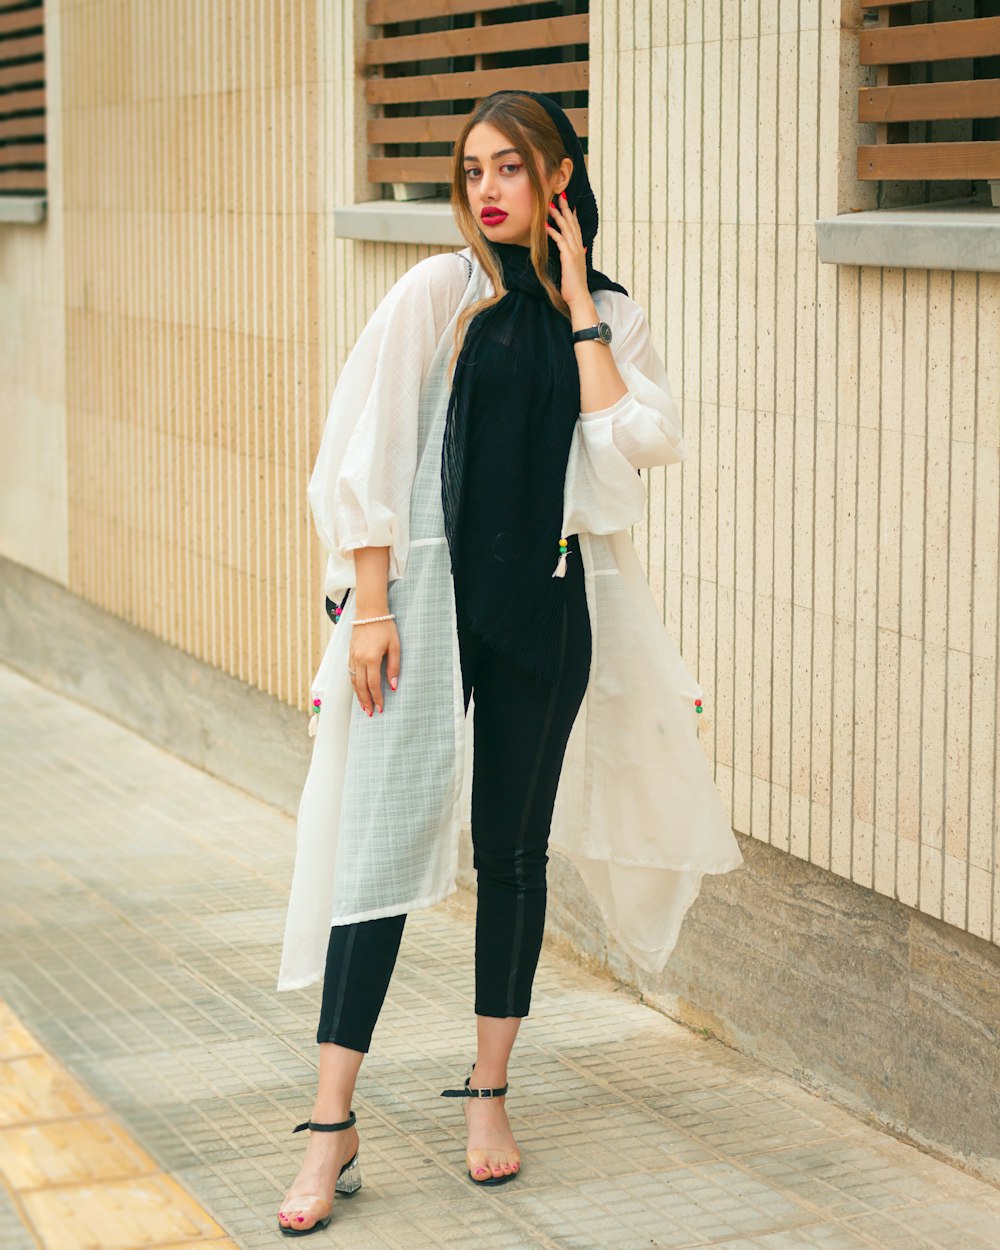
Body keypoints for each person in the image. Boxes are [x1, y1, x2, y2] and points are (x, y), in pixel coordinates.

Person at [275, 89, 743, 1236]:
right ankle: (330, 1122)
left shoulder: (612, 318)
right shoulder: (438, 293)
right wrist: (370, 605)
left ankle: (488, 1092)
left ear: (558, 181)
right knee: (378, 841)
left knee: (512, 852)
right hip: (423, 605)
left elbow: (638, 441)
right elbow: (367, 445)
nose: (487, 190)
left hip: (548, 606)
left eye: (511, 169)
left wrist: (579, 300)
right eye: (472, 169)